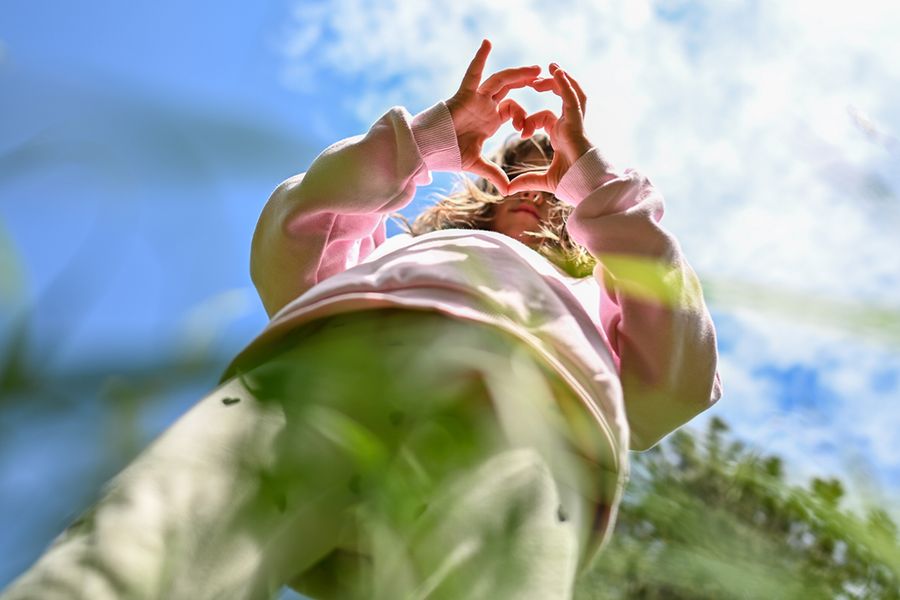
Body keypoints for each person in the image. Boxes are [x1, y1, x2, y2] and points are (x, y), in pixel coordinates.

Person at [1, 40, 722, 599]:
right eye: (521, 174)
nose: (536, 189)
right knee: (128, 565)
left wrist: (593, 178)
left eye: (554, 185)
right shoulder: (405, 253)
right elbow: (295, 228)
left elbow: (683, 379)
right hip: (329, 373)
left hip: (535, 430)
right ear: (487, 196)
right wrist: (432, 140)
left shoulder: (601, 299)